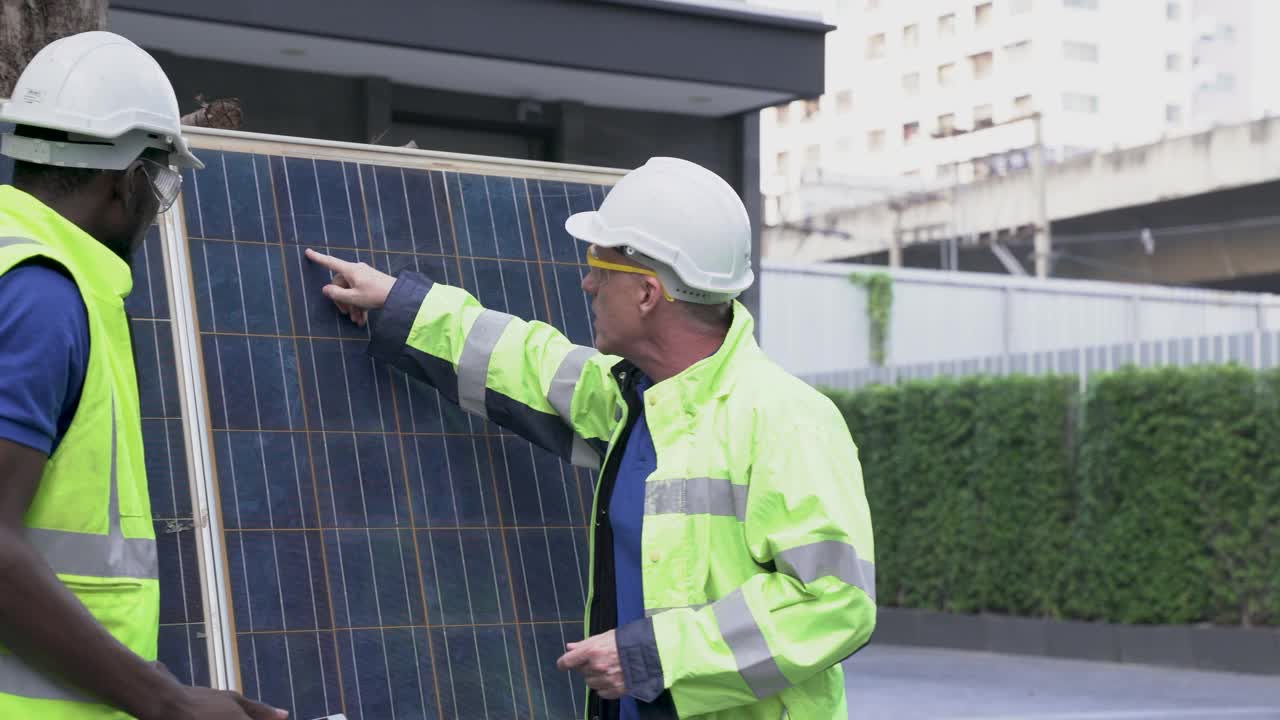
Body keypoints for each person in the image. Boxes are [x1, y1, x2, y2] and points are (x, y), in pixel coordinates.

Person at [308, 156, 876, 720]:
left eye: (600, 267)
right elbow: (526, 363)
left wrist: (653, 656)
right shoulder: (635, 399)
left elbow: (835, 605)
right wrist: (402, 306)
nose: (587, 282)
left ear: (648, 294)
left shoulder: (788, 421)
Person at [0, 31, 287, 720]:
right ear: (126, 181)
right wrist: (168, 704)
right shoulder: (43, 295)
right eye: (163, 184)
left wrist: (155, 688)